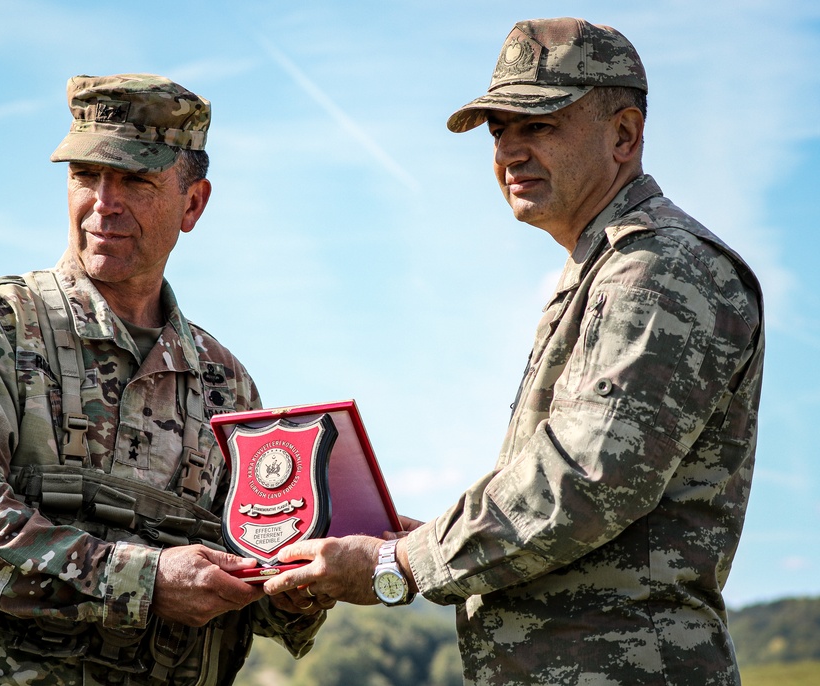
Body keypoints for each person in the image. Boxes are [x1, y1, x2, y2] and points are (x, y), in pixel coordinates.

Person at [263, 17, 764, 685]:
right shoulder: (606, 270)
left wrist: (398, 566)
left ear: (625, 134)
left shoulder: (660, 267)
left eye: (540, 124)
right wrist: (417, 542)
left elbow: (584, 482)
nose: (510, 151)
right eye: (500, 130)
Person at [0, 73, 327, 686]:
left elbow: (249, 566)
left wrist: (299, 581)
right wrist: (146, 580)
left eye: (136, 179)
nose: (104, 202)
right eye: (86, 176)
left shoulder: (224, 384)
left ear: (193, 203)